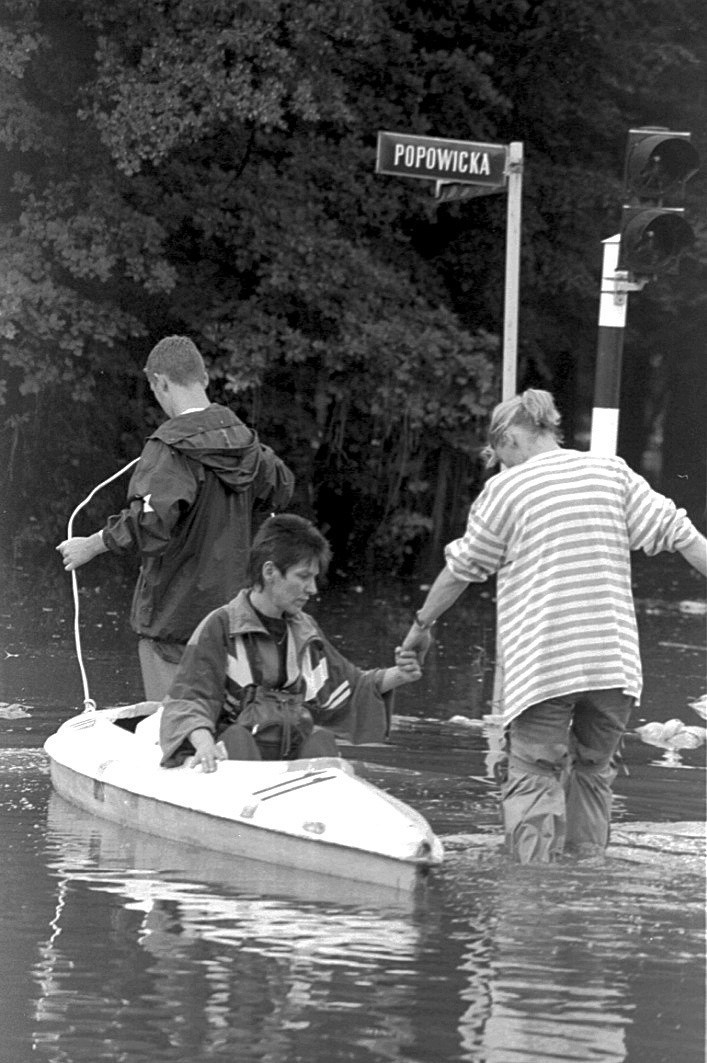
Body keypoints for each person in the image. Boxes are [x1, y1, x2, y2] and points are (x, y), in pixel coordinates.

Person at [399, 389, 707, 864]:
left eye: (497, 455)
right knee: (592, 774)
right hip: (613, 663)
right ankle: (586, 876)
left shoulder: (507, 489)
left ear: (509, 438)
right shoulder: (611, 470)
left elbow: (462, 570)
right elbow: (684, 537)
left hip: (544, 666)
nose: (498, 465)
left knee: (533, 775)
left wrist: (421, 625)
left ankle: (533, 899)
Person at [57, 335, 295, 700]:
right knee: (221, 723)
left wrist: (91, 545)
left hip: (174, 621)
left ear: (160, 383)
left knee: (174, 729)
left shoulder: (168, 449)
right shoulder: (248, 444)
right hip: (235, 619)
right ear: (204, 379)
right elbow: (281, 486)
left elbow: (149, 522)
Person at [159, 513, 422, 770]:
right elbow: (188, 699)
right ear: (270, 571)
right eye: (303, 576)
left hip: (288, 756)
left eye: (314, 578)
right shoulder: (219, 626)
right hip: (231, 758)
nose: (312, 589)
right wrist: (204, 745)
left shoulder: (306, 629)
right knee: (239, 742)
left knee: (322, 743)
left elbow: (350, 686)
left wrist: (401, 674)